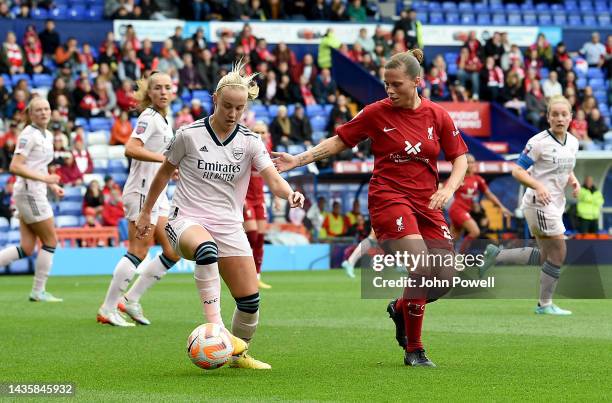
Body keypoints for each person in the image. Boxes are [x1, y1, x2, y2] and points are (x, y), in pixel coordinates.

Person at [273, 49, 468, 367]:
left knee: (445, 277)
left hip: (427, 201)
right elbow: (339, 141)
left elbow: (459, 157)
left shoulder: (438, 116)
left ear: (417, 81)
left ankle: (400, 308)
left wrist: (448, 188)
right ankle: (414, 350)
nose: (389, 91)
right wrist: (298, 159)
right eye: (386, 84)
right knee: (420, 265)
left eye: (397, 84)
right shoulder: (376, 113)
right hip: (389, 198)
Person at [135, 62, 305, 369]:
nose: (232, 113)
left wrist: (289, 193)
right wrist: (147, 212)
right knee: (205, 250)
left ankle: (238, 356)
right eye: (227, 106)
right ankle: (218, 331)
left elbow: (273, 178)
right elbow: (162, 175)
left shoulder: (251, 141)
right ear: (215, 99)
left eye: (239, 108)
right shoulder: (188, 134)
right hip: (186, 219)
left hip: (229, 225)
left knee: (250, 302)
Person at [482, 96, 580, 315]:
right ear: (547, 117)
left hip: (555, 204)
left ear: (571, 117)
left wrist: (573, 179)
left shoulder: (573, 142)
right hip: (539, 203)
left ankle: (497, 255)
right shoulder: (538, 142)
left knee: (546, 255)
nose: (560, 118)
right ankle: (544, 305)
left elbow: (566, 165)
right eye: (555, 114)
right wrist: (538, 186)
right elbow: (517, 170)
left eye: (564, 114)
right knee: (559, 251)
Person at [98, 71, 181, 327]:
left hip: (158, 194)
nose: (163, 92)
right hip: (142, 192)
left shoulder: (165, 120)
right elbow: (131, 148)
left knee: (173, 249)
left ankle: (131, 300)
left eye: (167, 87)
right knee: (138, 250)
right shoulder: (149, 117)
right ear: (150, 93)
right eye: (158, 88)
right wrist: (165, 162)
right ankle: (107, 309)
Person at [0, 98, 64, 302]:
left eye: (46, 108)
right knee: (50, 241)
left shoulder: (48, 134)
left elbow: (39, 165)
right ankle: (38, 291)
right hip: (30, 194)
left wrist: (52, 185)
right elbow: (15, 166)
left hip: (33, 192)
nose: (43, 113)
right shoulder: (28, 135)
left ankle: (38, 291)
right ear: (30, 113)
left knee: (27, 248)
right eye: (38, 110)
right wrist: (46, 179)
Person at [447, 154, 511, 253]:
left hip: (465, 210)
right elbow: (445, 188)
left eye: (473, 162)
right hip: (457, 209)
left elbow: (489, 194)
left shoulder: (477, 179)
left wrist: (501, 207)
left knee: (452, 239)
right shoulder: (458, 177)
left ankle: (442, 257)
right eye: (468, 162)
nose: (471, 164)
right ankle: (459, 256)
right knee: (475, 231)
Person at [243, 121, 272, 289]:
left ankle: (256, 277)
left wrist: (275, 199)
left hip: (260, 199)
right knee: (252, 236)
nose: (260, 135)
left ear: (267, 135)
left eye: (263, 132)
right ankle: (244, 273)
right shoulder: (247, 150)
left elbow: (273, 177)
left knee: (260, 238)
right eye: (256, 132)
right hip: (246, 198)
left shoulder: (267, 153)